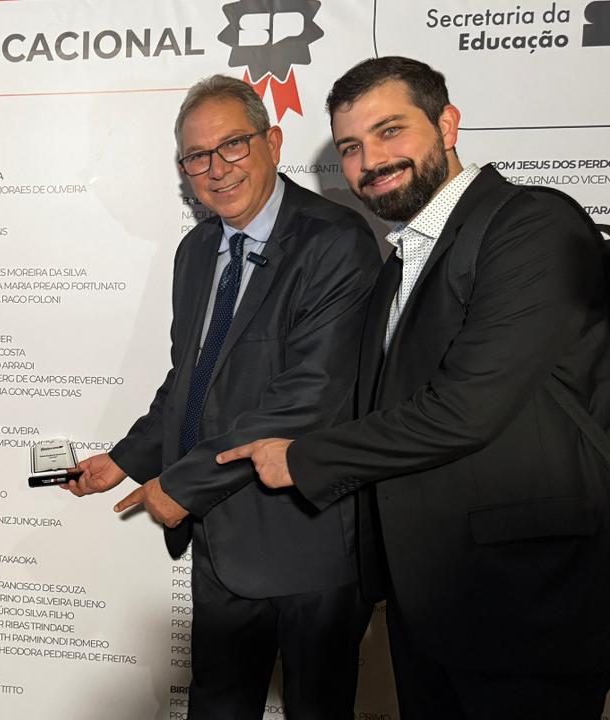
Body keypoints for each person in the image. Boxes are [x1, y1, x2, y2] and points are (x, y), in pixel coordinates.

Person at [219, 56, 610, 718]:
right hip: (429, 604)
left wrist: (305, 458)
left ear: (447, 124)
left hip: (530, 604)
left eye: (390, 130)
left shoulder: (530, 223)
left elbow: (466, 409)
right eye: (350, 147)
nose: (371, 160)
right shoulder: (400, 263)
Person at [64, 75, 380, 718]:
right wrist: (125, 459)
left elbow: (310, 396)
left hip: (308, 541)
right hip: (220, 541)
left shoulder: (335, 240)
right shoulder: (197, 250)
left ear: (272, 141)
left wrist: (183, 484)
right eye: (196, 156)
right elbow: (190, 379)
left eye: (233, 145)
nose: (216, 169)